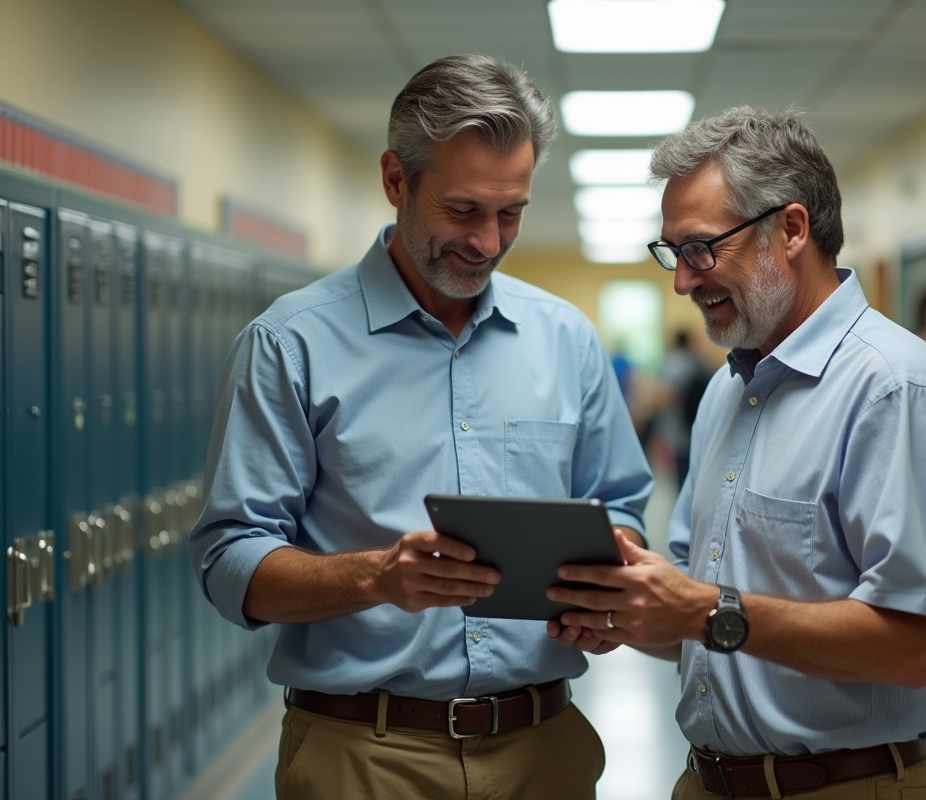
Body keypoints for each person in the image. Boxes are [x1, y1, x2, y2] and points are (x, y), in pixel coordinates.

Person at [189, 54, 653, 800]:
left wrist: (608, 582)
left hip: (545, 752)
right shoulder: (291, 345)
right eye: (464, 210)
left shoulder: (566, 339)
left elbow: (621, 508)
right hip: (362, 756)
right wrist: (377, 576)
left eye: (512, 213)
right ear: (396, 180)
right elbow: (228, 563)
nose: (489, 241)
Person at [544, 107, 926, 800]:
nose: (683, 282)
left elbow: (909, 646)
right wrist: (632, 610)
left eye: (700, 249)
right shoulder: (731, 393)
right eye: (671, 253)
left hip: (844, 785)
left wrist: (698, 608)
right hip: (707, 781)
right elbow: (715, 626)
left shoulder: (894, 391)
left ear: (790, 229)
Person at [656, 330, 710, 484]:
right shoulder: (693, 361)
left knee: (682, 475)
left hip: (678, 427)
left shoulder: (674, 362)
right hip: (691, 424)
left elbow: (667, 394)